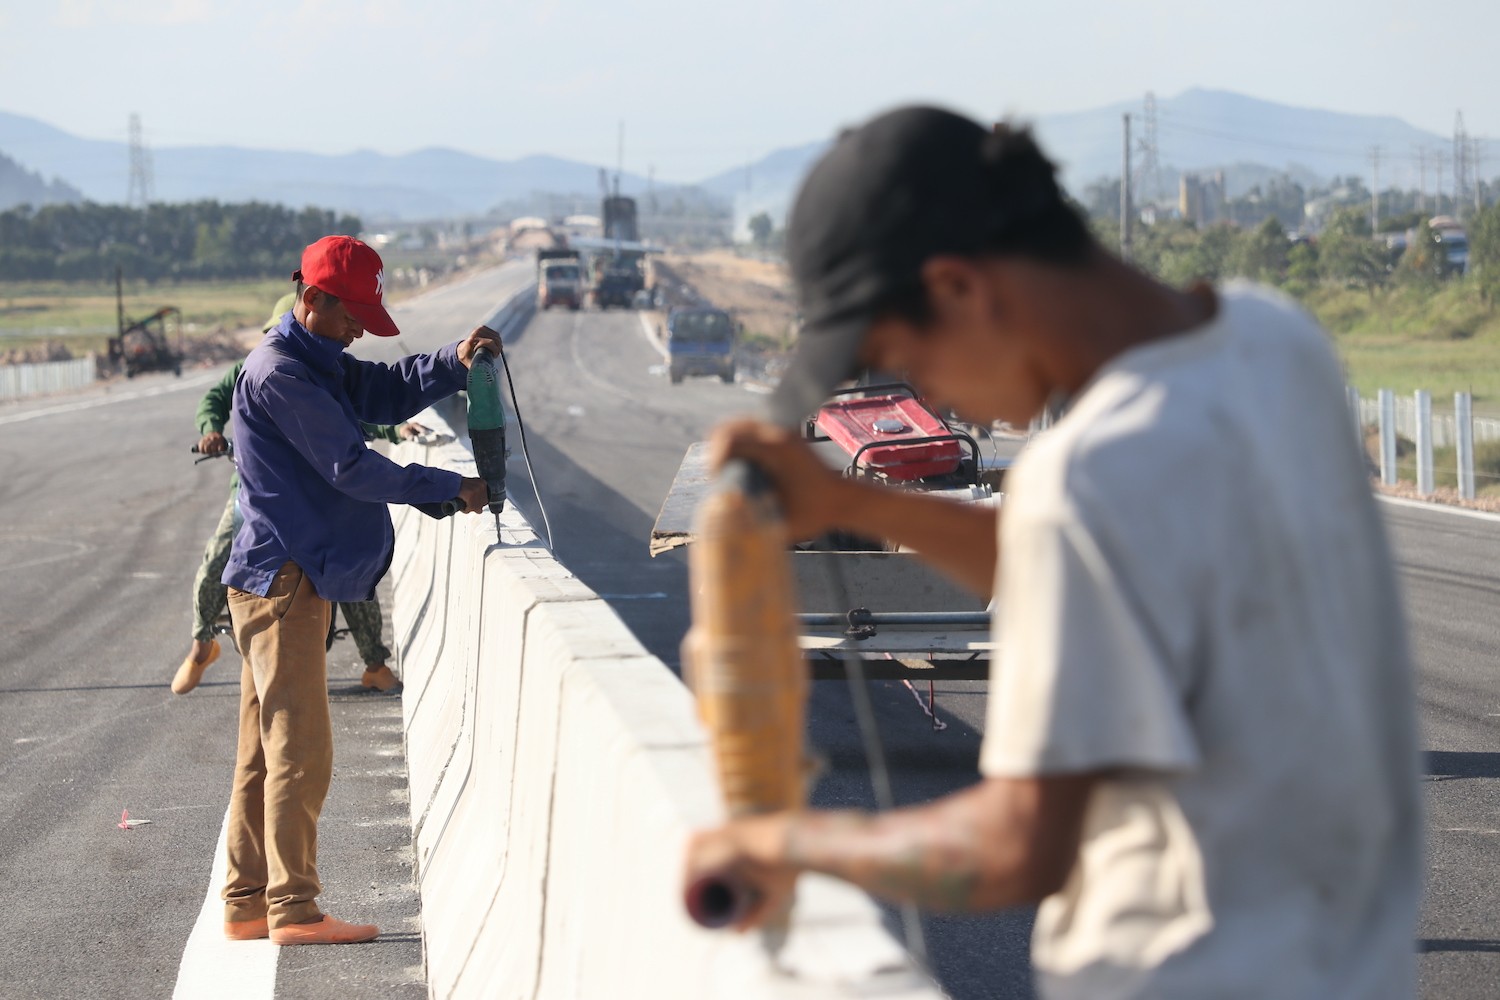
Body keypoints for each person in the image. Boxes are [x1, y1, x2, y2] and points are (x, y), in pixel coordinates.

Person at [685, 107, 1421, 998]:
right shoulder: (1277, 343)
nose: (931, 396)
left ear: (957, 288)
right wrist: (848, 499)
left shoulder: (1086, 480)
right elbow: (1105, 568)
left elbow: (1010, 850)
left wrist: (783, 844)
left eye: (900, 357)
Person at [220, 235, 495, 946]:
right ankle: (293, 910)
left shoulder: (319, 364)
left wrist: (453, 361)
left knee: (263, 753)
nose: (357, 331)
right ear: (311, 299)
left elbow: (386, 390)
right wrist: (447, 487)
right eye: (351, 317)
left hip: (274, 576)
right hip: (284, 581)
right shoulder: (282, 376)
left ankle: (247, 902)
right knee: (300, 749)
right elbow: (350, 466)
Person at [172, 293, 422, 696]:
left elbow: (353, 420)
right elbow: (214, 400)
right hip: (254, 497)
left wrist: (396, 429)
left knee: (349, 573)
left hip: (316, 497)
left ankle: (375, 662)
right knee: (216, 561)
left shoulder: (324, 374)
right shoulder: (257, 367)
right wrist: (211, 430)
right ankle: (202, 644)